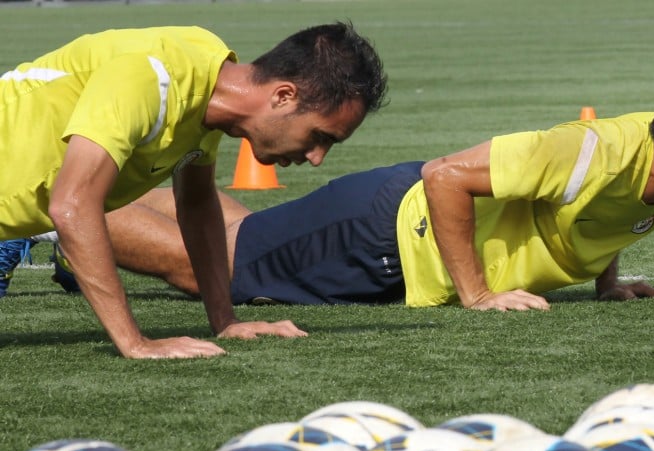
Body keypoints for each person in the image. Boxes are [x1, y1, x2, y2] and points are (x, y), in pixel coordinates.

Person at [24, 56, 654, 312]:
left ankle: (84, 217)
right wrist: (475, 295)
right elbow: (444, 175)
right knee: (213, 265)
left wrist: (607, 283)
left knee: (242, 230)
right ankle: (55, 224)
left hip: (385, 239)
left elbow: (602, 213)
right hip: (382, 236)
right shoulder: (591, 149)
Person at [0, 22, 387, 359]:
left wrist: (225, 322)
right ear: (283, 96)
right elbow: (71, 204)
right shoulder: (151, 78)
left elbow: (197, 203)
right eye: (320, 136)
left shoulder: (210, 84)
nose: (317, 157)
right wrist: (135, 342)